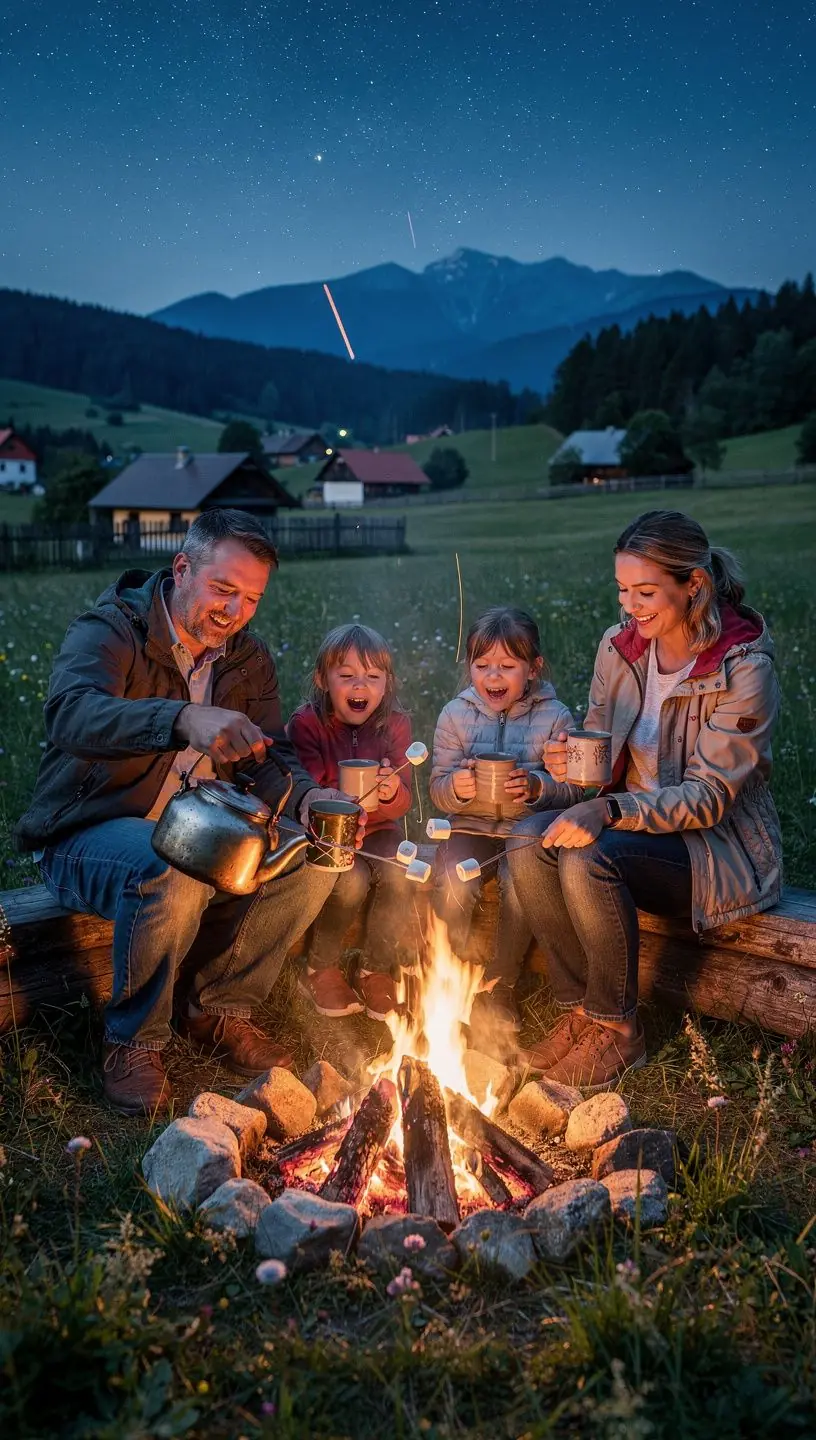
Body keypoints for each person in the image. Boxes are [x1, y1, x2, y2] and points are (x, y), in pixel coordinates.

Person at [14, 509, 362, 1116]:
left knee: (315, 856)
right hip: (88, 829)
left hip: (205, 828)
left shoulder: (245, 659)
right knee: (166, 864)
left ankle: (217, 1008)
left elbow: (269, 754)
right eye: (223, 589)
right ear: (182, 568)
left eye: (251, 598)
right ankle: (133, 1042)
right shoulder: (112, 630)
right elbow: (70, 714)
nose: (235, 611)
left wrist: (304, 800)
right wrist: (178, 719)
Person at [507, 510, 782, 1090]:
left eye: (647, 592)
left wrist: (607, 810)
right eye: (623, 590)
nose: (630, 606)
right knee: (527, 839)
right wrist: (570, 767)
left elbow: (710, 798)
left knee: (589, 853)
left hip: (712, 851)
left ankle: (619, 1031)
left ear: (694, 585)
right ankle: (580, 1008)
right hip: (630, 826)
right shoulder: (622, 647)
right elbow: (600, 754)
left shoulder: (744, 668)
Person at [429, 606, 575, 1037]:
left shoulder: (556, 718)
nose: (493, 677)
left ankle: (499, 985)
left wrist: (536, 788)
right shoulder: (455, 715)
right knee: (455, 878)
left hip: (525, 835)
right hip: (469, 829)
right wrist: (457, 786)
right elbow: (437, 789)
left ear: (533, 669)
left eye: (507, 667)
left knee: (519, 887)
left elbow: (572, 791)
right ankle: (446, 972)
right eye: (482, 666)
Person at [288, 623, 413, 1021]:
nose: (361, 686)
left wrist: (392, 793)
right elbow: (306, 787)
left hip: (378, 830)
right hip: (327, 836)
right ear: (322, 680)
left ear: (386, 682)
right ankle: (319, 967)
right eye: (346, 676)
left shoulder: (395, 725)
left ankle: (375, 967)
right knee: (352, 879)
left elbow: (402, 801)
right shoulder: (307, 724)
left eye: (373, 677)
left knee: (400, 870)